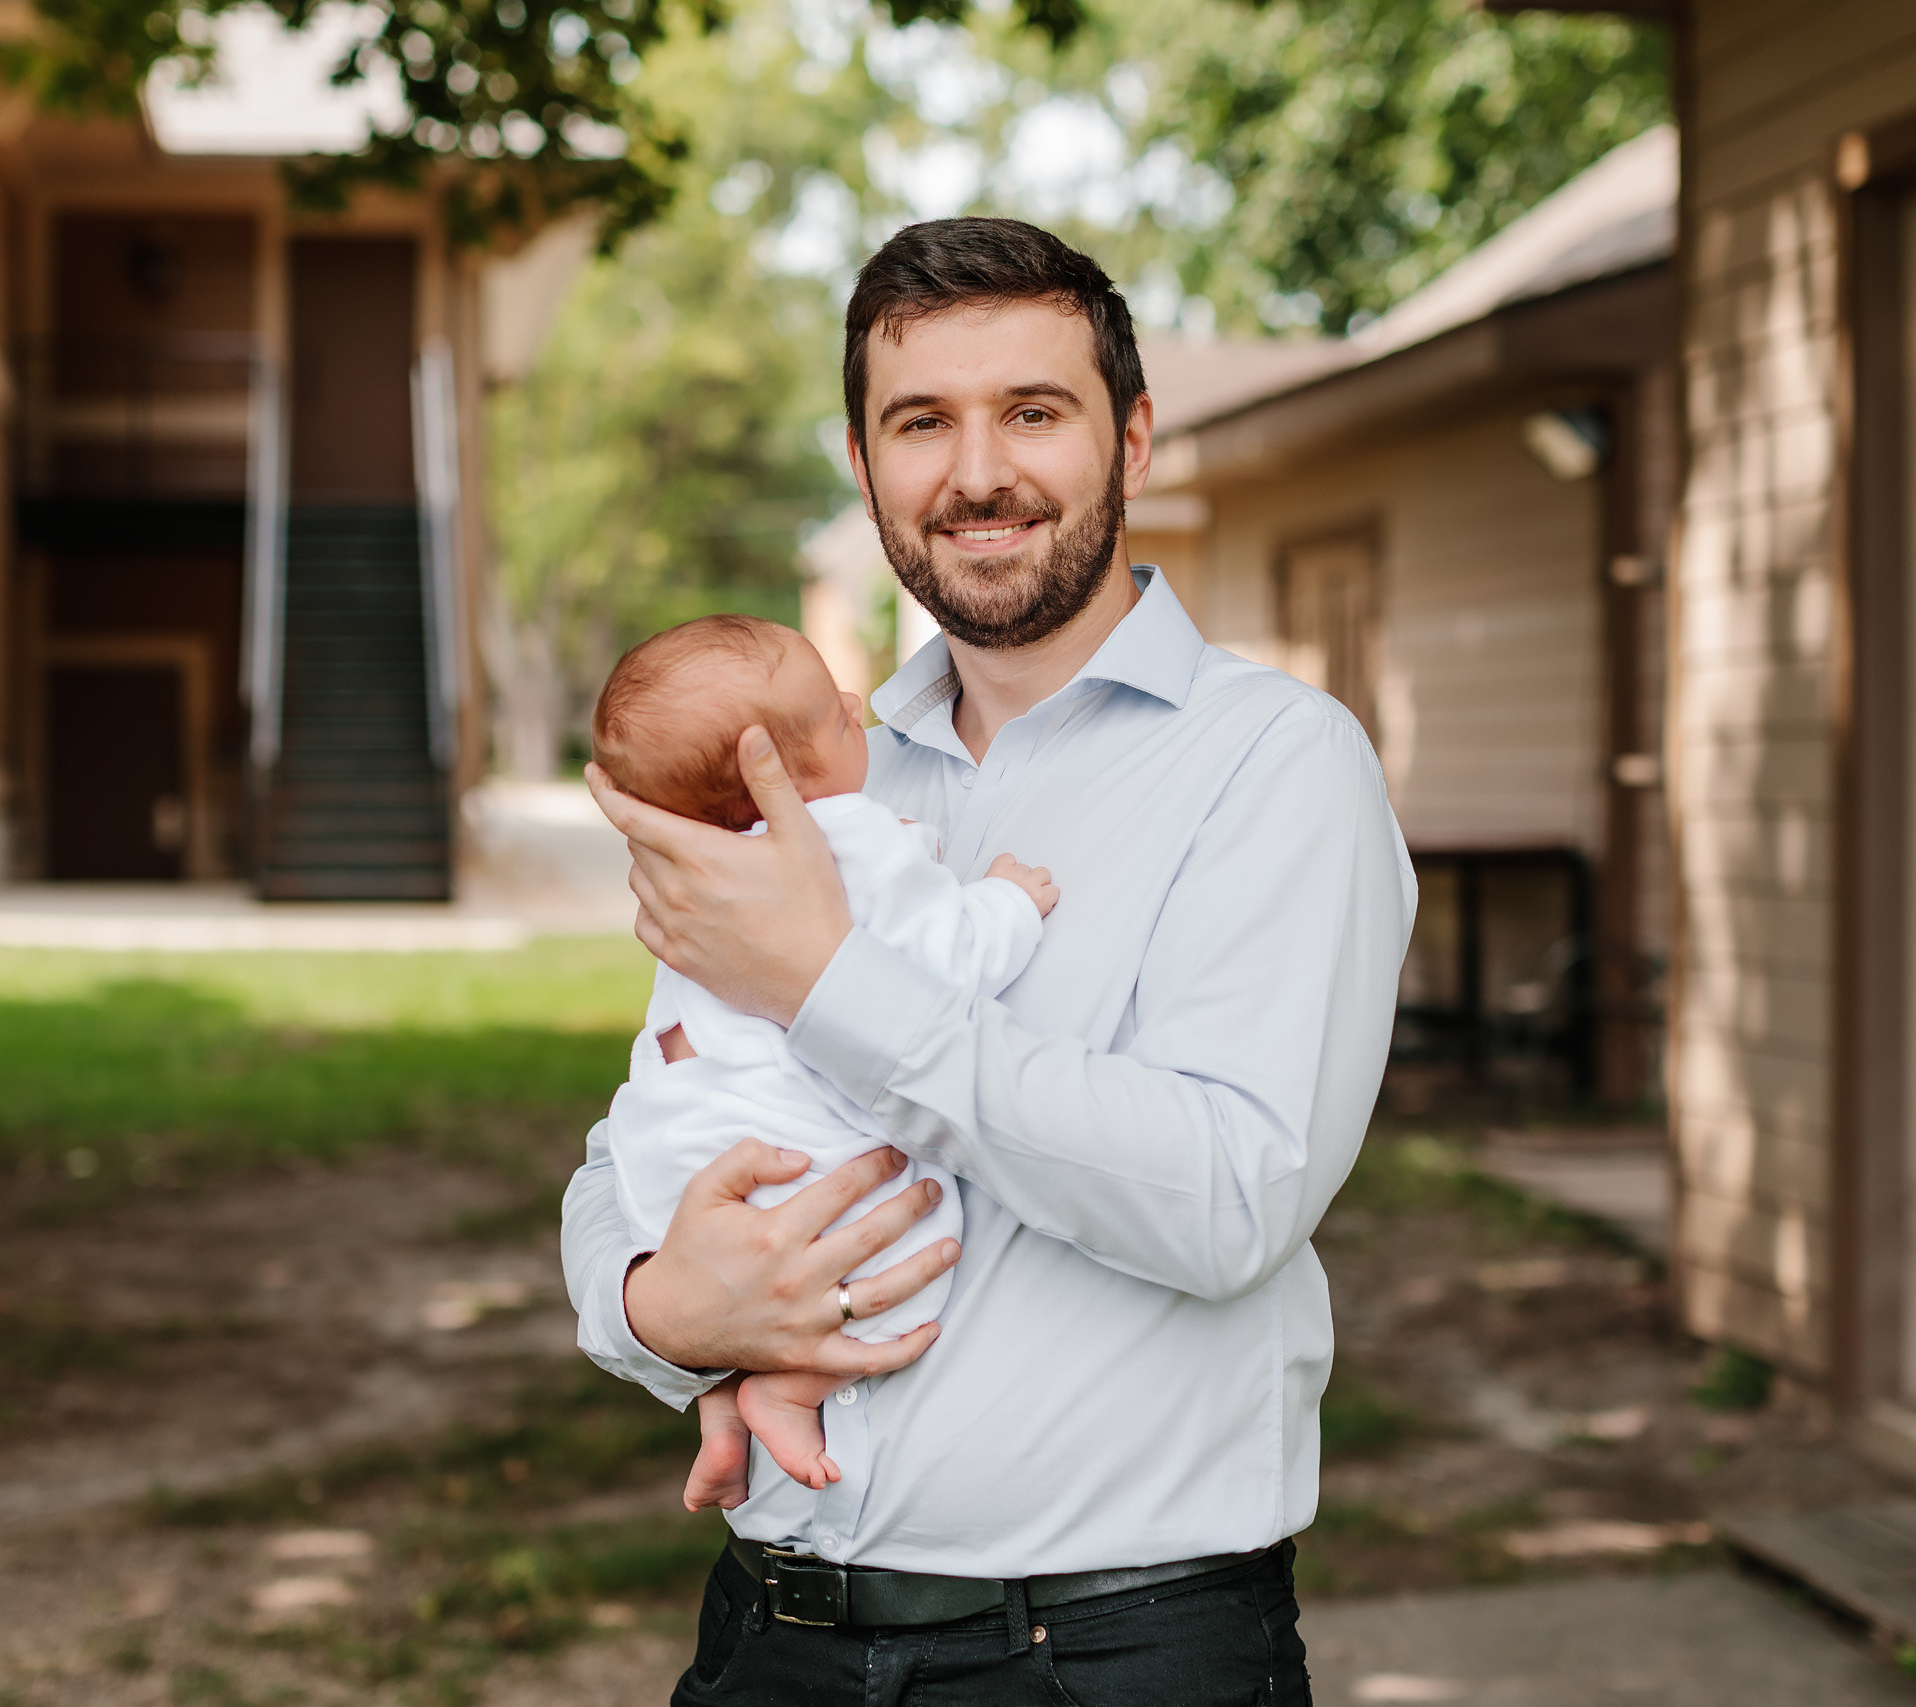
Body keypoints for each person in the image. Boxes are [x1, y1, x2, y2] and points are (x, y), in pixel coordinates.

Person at [563, 215, 1416, 1705]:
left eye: (1033, 411)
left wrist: (836, 989)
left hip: (1104, 1652)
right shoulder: (805, 777)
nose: (976, 473)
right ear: (863, 460)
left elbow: (1232, 1195)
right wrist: (655, 1308)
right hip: (775, 1639)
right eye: (921, 422)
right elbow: (642, 1122)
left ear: (1133, 438)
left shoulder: (1274, 763)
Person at [590, 611, 1058, 1512]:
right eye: (840, 721)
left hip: (670, 1169)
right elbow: (945, 955)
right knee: (904, 1236)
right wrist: (1010, 898)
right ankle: (787, 1388)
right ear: (782, 782)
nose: (857, 705)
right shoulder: (852, 839)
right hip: (794, 1156)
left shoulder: (707, 874)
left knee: (748, 1294)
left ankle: (723, 1406)